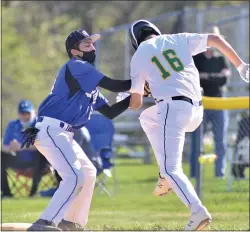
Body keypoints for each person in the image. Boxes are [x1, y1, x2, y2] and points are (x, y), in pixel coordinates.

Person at [126, 19, 249, 231]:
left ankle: (197, 210)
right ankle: (165, 175)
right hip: (196, 111)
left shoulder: (140, 54)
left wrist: (134, 92)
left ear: (136, 41)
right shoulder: (178, 38)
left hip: (172, 108)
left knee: (171, 167)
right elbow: (216, 39)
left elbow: (136, 103)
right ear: (156, 31)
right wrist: (240, 66)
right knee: (148, 118)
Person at [21, 29, 132, 231]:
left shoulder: (89, 86)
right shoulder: (76, 66)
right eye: (86, 44)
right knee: (75, 177)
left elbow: (110, 112)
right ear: (75, 52)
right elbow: (114, 85)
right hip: (52, 130)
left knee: (88, 173)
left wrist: (134, 97)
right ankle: (45, 223)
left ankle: (71, 223)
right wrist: (141, 83)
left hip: (64, 134)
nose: (92, 47)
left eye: (92, 43)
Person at [193, 29, 231, 177]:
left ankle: (219, 173)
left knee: (220, 141)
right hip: (200, 104)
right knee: (197, 141)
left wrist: (207, 76)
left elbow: (224, 79)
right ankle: (195, 174)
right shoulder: (197, 59)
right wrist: (215, 76)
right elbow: (196, 78)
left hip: (219, 102)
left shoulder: (221, 59)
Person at [1, 100, 48, 197]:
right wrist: (10, 148)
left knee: (41, 154)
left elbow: (44, 145)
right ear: (18, 114)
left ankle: (33, 193)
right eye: (22, 113)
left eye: (28, 113)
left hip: (37, 162)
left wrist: (21, 147)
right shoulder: (12, 125)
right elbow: (4, 146)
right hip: (18, 160)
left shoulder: (40, 124)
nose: (25, 116)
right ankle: (6, 193)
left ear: (34, 113)